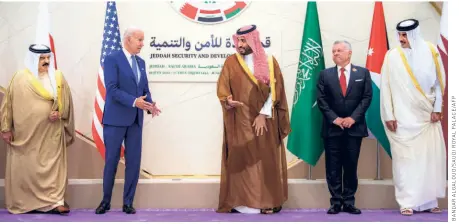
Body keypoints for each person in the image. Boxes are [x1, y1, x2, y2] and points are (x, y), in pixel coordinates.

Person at [216, 24, 291, 214]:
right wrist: (228, 101)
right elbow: (223, 88)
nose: (239, 45)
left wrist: (263, 115)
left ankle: (267, 202)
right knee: (241, 161)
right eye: (238, 40)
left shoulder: (268, 60)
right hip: (240, 121)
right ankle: (242, 202)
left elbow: (275, 90)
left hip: (264, 121)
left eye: (243, 40)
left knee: (265, 160)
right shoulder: (231, 62)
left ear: (253, 40)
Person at [380, 18, 446, 216]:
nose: (401, 38)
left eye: (405, 35)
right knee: (405, 161)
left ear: (414, 34)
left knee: (429, 159)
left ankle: (428, 201)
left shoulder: (431, 51)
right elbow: (386, 87)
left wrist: (438, 108)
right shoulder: (391, 56)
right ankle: (406, 202)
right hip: (402, 118)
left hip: (427, 116)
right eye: (399, 34)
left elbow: (439, 83)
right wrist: (389, 115)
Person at [0, 44, 75, 215]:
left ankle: (55, 202)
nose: (46, 61)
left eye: (48, 57)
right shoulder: (19, 78)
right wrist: (5, 128)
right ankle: (25, 203)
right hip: (26, 135)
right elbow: (8, 105)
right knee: (26, 168)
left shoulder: (57, 77)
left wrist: (59, 112)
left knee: (53, 167)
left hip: (51, 134)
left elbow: (67, 103)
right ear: (33, 59)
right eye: (42, 58)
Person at [95, 27, 161, 215]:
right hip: (115, 120)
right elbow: (112, 89)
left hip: (135, 121)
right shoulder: (112, 59)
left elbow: (144, 89)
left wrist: (150, 104)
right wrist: (134, 102)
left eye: (143, 40)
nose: (142, 43)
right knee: (111, 161)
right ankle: (105, 201)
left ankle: (128, 203)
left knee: (133, 162)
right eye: (139, 40)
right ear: (128, 40)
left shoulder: (140, 62)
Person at [316, 40, 372, 215]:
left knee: (350, 166)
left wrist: (353, 118)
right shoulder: (325, 74)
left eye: (339, 50)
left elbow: (366, 98)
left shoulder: (362, 73)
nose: (335, 54)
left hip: (354, 129)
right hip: (332, 129)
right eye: (333, 51)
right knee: (332, 168)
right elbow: (321, 100)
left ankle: (349, 202)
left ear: (349, 53)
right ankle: (335, 202)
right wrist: (336, 119)